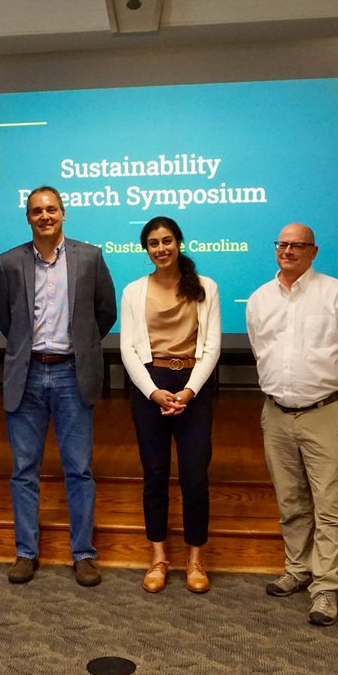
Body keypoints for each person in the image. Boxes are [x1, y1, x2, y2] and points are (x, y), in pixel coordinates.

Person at [246, 223, 338, 625]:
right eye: (282, 244)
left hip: (323, 412)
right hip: (276, 413)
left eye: (297, 245)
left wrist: (326, 385)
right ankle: (298, 570)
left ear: (313, 251)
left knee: (332, 504)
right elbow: (259, 350)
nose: (288, 251)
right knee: (290, 499)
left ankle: (326, 588)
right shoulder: (259, 299)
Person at [0, 186, 116, 586]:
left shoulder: (90, 257)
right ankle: (26, 553)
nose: (44, 216)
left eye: (51, 209)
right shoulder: (9, 262)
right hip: (26, 374)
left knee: (78, 469)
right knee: (23, 469)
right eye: (36, 211)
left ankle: (83, 554)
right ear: (27, 217)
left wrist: (78, 344)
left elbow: (105, 312)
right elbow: (4, 319)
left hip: (70, 373)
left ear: (64, 213)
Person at [120, 216, 221, 593]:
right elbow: (128, 348)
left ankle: (195, 560)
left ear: (179, 242)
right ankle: (158, 558)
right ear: (146, 249)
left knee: (195, 477)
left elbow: (211, 347)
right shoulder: (133, 291)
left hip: (192, 388)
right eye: (152, 243)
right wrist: (152, 391)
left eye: (166, 241)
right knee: (155, 476)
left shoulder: (206, 287)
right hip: (152, 385)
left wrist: (191, 390)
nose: (160, 248)